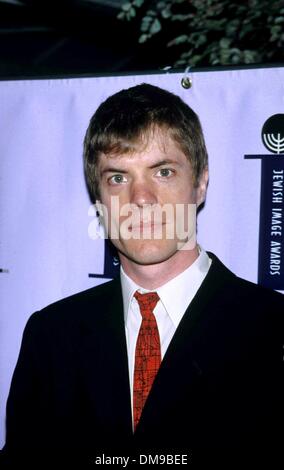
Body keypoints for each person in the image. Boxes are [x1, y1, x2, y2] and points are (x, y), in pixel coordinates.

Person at [1, 83, 284, 468]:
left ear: (200, 183)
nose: (141, 198)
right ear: (98, 197)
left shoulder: (273, 329)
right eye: (118, 178)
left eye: (163, 172)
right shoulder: (51, 336)